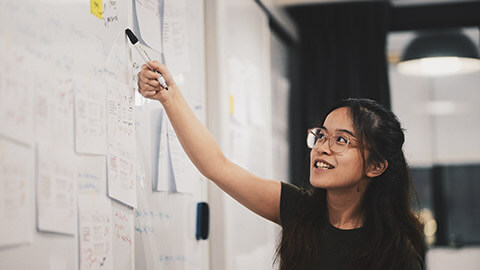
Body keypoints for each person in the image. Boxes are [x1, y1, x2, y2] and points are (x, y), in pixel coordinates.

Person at [137, 61, 425, 270]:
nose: (323, 147)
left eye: (341, 140)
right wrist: (169, 97)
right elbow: (217, 166)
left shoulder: (397, 252)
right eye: (322, 135)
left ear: (375, 166)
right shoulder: (298, 209)